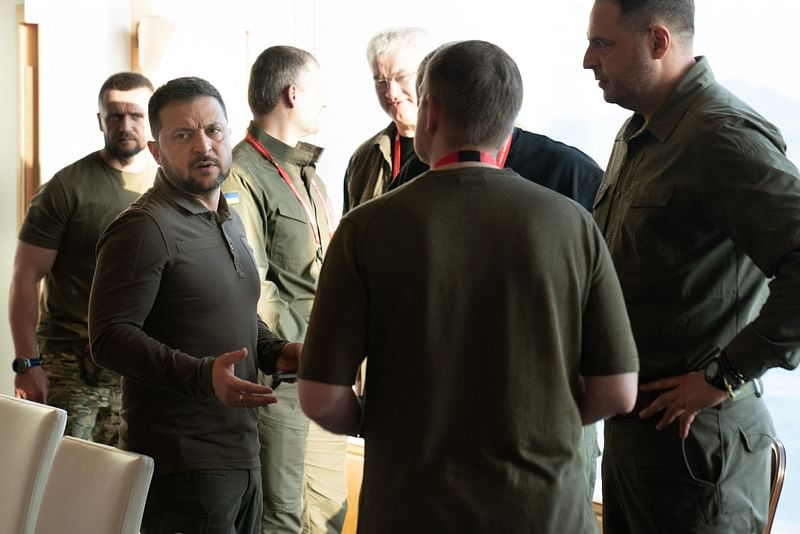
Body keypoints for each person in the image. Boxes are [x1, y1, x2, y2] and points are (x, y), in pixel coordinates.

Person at [298, 40, 639, 533]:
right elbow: (618, 390)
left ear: (431, 110)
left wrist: (384, 424)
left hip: (411, 508)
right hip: (544, 510)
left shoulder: (366, 228)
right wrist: (543, 424)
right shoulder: (571, 224)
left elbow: (320, 397)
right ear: (508, 117)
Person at [583, 1, 800, 532]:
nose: (588, 60)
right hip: (639, 442)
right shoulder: (639, 131)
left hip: (698, 448)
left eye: (603, 44)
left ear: (658, 42)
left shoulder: (720, 136)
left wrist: (725, 374)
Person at [89, 76, 302, 534]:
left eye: (214, 130)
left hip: (244, 454)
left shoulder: (227, 217)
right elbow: (108, 338)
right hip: (181, 466)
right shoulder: (143, 227)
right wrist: (202, 375)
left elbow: (231, 316)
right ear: (156, 151)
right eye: (183, 135)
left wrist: (277, 352)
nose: (204, 145)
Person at [221, 46, 346, 534]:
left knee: (329, 510)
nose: (325, 102)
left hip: (326, 369)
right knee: (283, 516)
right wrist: (289, 353)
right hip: (285, 376)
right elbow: (253, 284)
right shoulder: (241, 173)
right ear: (293, 93)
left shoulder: (307, 174)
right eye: (318, 91)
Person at [9, 71, 155, 445]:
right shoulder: (67, 187)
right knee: (66, 484)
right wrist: (28, 364)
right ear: (100, 120)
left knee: (130, 485)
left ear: (152, 118)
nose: (125, 125)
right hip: (72, 366)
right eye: (115, 116)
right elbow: (26, 276)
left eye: (135, 115)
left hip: (139, 367)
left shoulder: (168, 186)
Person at [341, 27, 432, 214]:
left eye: (401, 77)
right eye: (380, 81)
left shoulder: (455, 149)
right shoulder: (364, 157)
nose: (391, 93)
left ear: (426, 76)